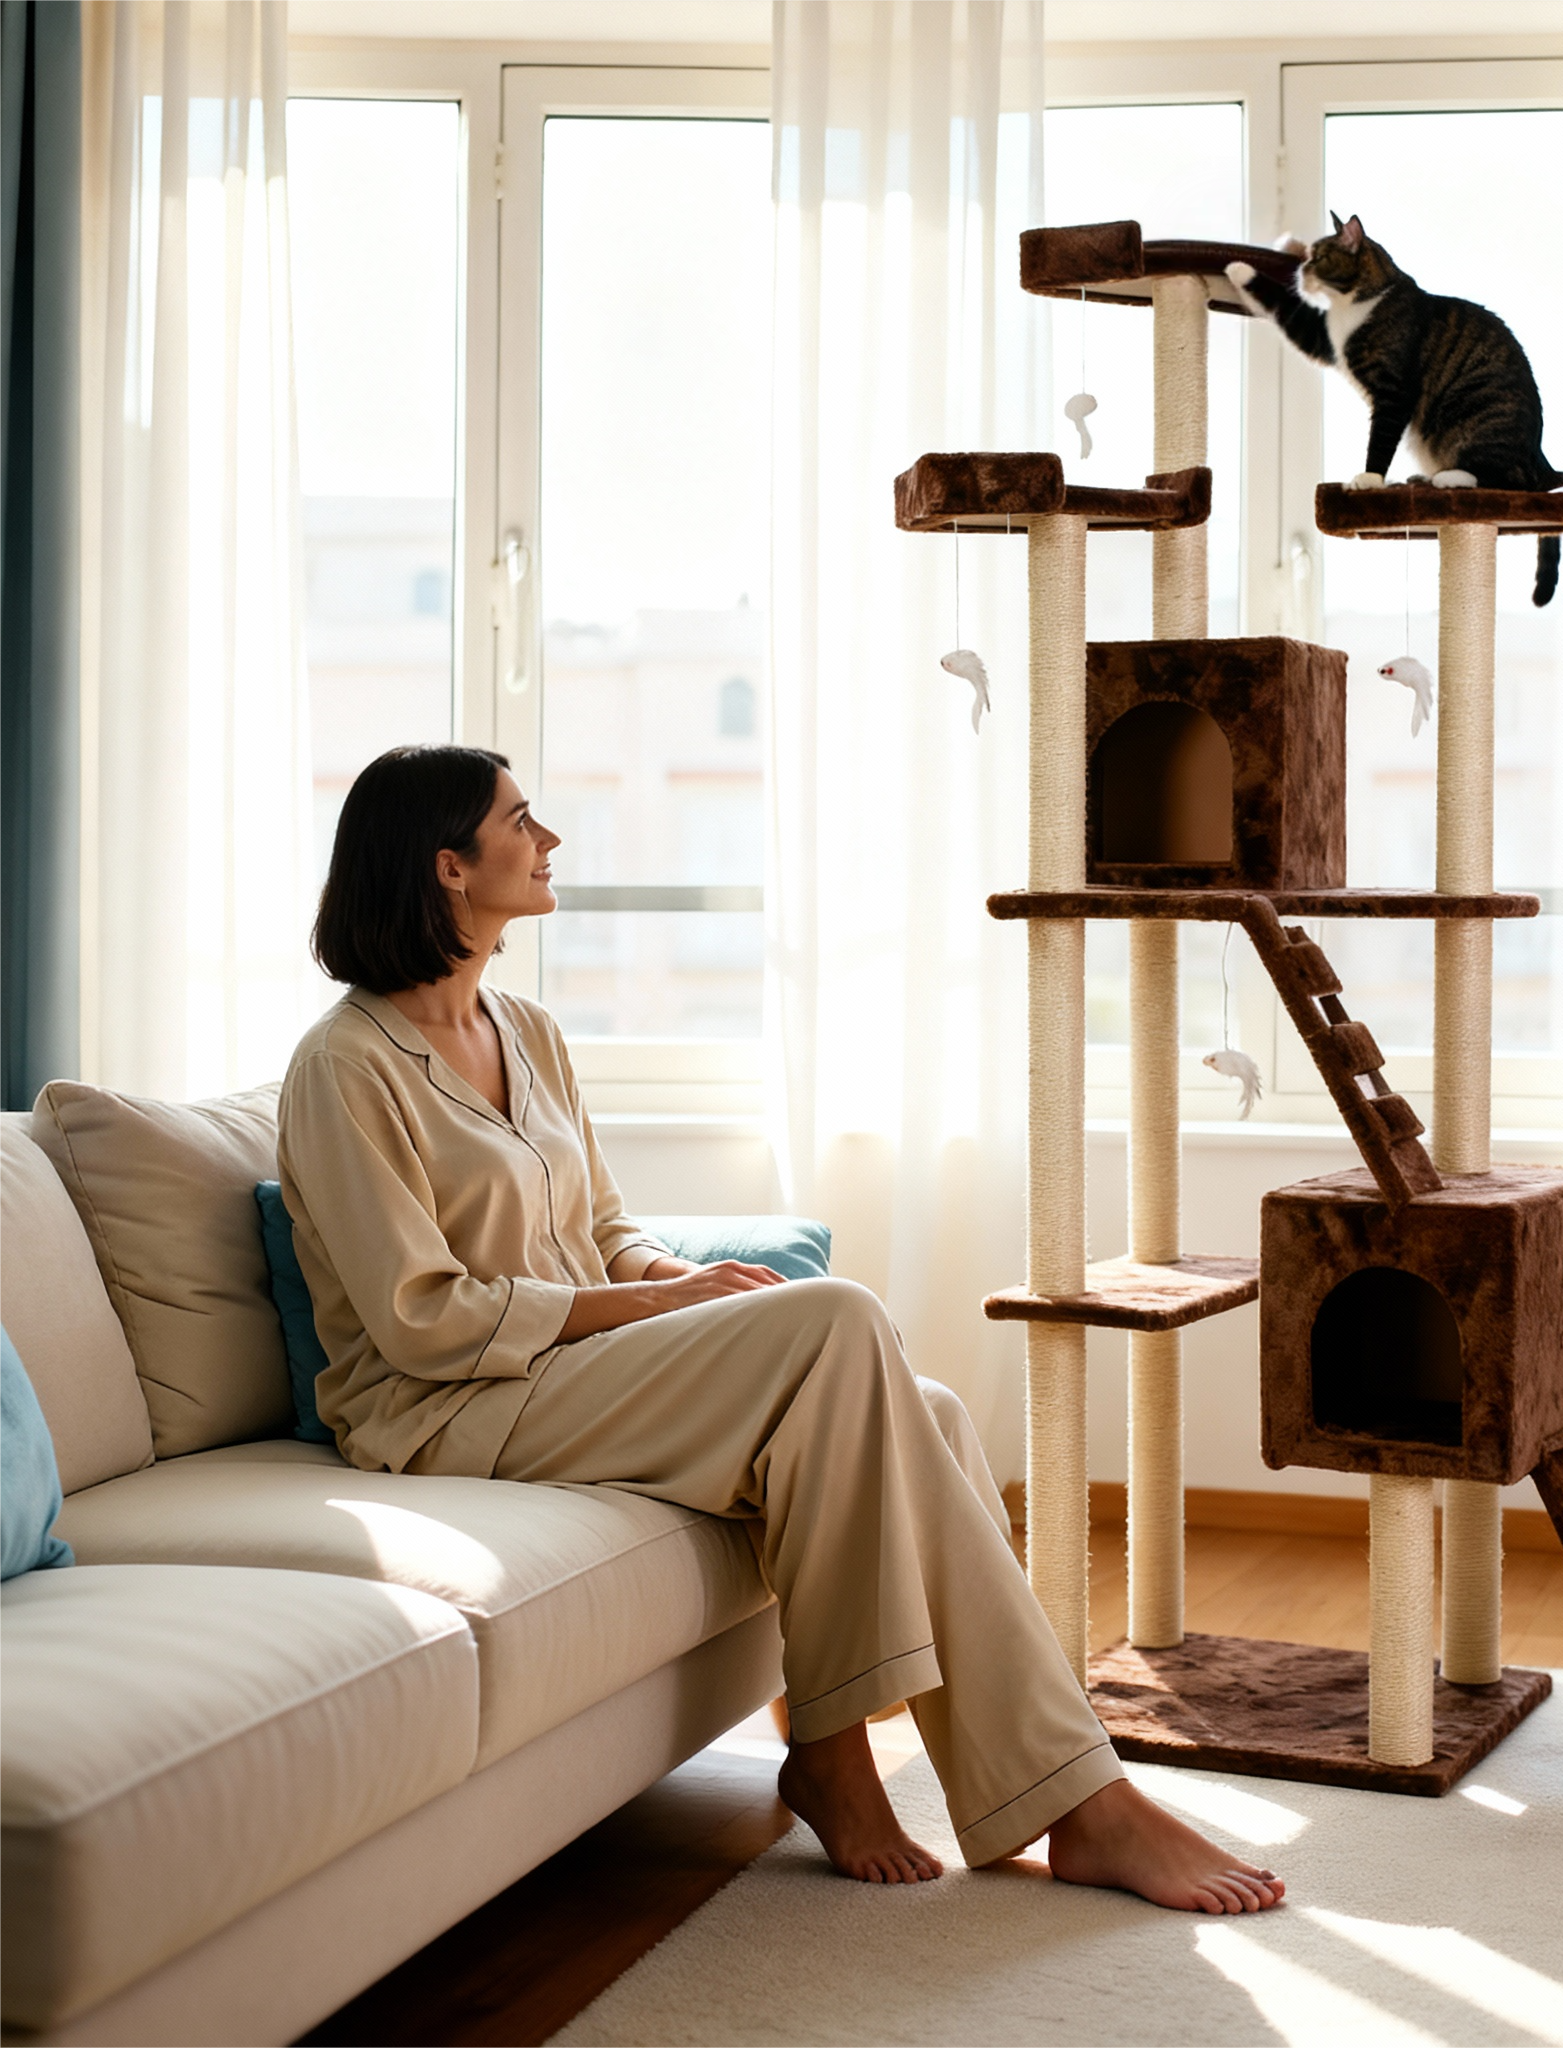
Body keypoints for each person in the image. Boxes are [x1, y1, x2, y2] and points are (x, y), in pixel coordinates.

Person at [277, 744, 1283, 1915]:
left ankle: (946, 1768)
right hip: (445, 1405)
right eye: (522, 820)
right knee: (841, 1321)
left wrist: (685, 1274)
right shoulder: (344, 1066)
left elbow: (601, 1225)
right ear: (448, 866)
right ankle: (982, 1778)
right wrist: (656, 1304)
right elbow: (418, 1319)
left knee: (930, 1408)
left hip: (564, 1368)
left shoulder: (529, 1029)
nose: (550, 840)